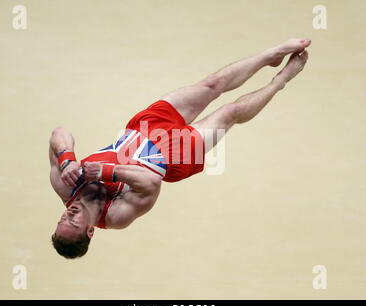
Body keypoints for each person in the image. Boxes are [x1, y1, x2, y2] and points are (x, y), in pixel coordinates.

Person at [49, 38, 311, 259]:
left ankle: (270, 55)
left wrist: (66, 160)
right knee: (230, 112)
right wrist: (106, 171)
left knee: (212, 84)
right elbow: (151, 183)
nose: (68, 214)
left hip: (143, 127)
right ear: (91, 231)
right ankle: (280, 81)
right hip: (173, 156)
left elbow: (59, 134)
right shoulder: (117, 216)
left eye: (62, 220)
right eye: (73, 223)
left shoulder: (66, 186)